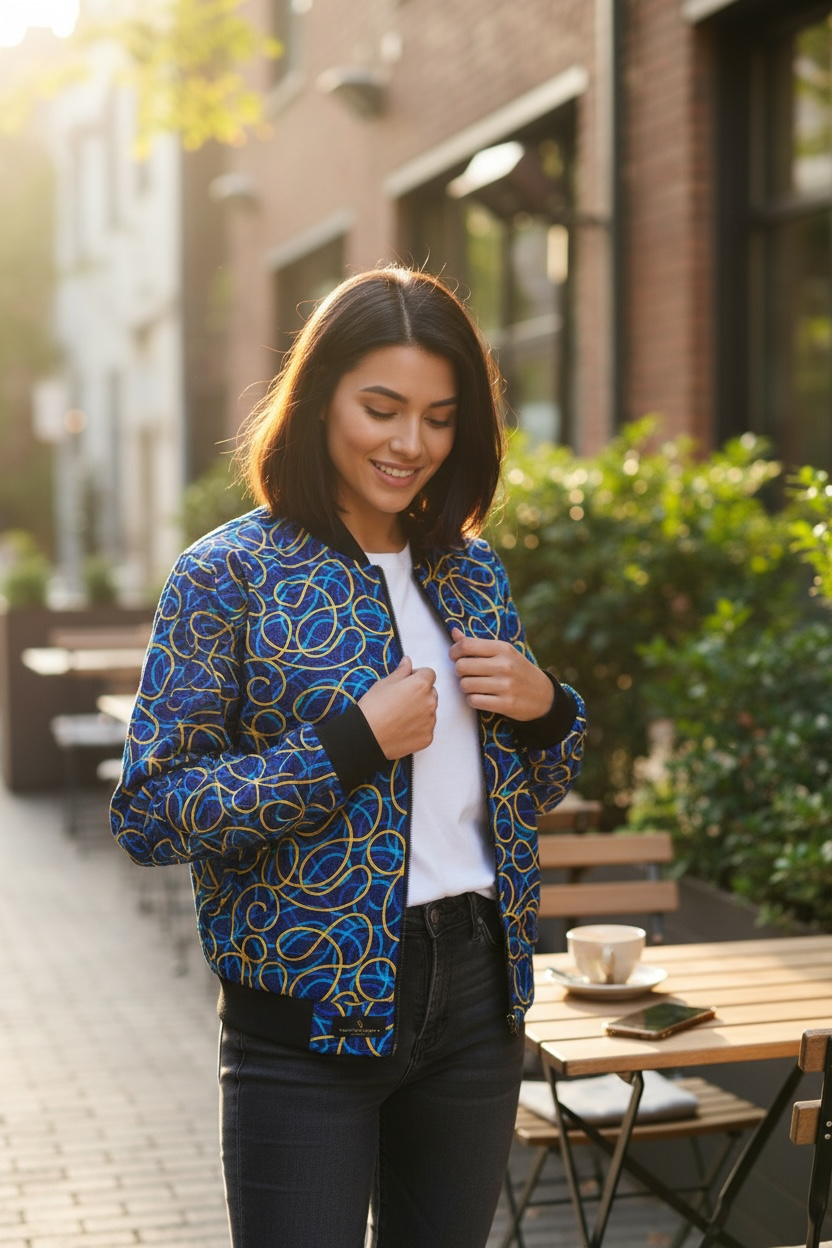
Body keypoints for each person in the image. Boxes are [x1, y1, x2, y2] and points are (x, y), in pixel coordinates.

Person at [110, 266, 586, 1248]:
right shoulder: (228, 574)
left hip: (476, 998)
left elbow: (525, 793)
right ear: (320, 394)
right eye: (382, 408)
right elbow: (151, 811)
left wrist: (547, 713)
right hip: (305, 1024)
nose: (410, 443)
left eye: (440, 417)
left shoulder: (471, 572)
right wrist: (348, 746)